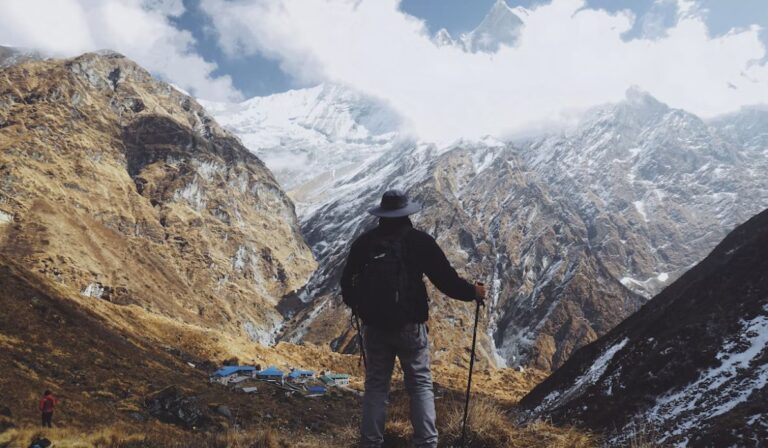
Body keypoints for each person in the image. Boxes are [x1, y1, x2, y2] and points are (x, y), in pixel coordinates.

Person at [341, 190, 486, 448]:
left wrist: (362, 308)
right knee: (419, 385)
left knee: (376, 386)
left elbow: (346, 284)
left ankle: (370, 442)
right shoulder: (419, 241)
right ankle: (426, 443)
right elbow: (446, 281)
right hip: (409, 325)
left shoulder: (364, 243)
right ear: (407, 213)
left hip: (374, 327)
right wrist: (473, 293)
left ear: (382, 215)